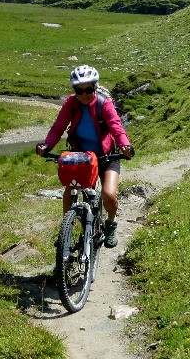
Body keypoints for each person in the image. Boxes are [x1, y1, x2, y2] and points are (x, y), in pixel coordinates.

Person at [36, 64, 134, 247]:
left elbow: (116, 126)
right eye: (79, 90)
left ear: (95, 87)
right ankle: (66, 230)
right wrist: (47, 144)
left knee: (108, 194)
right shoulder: (71, 103)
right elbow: (58, 127)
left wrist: (125, 146)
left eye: (89, 89)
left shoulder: (104, 103)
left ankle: (111, 222)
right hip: (81, 156)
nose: (84, 94)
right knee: (70, 190)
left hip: (106, 156)